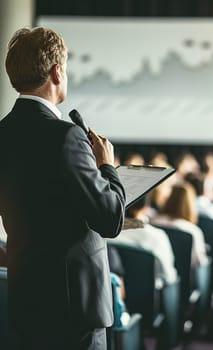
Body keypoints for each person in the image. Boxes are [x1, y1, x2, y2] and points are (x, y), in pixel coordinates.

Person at [0, 27, 126, 350]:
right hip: (74, 311)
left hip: (25, 300)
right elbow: (110, 219)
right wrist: (108, 166)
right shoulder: (67, 137)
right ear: (57, 72)